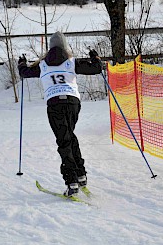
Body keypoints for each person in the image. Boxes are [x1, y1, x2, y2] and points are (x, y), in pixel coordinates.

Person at [18, 31, 102, 197]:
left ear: (50, 48)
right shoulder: (71, 62)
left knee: (64, 141)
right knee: (69, 136)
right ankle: (80, 175)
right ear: (65, 47)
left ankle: (71, 181)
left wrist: (22, 63)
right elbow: (96, 69)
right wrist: (95, 57)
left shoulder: (42, 65)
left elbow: (24, 73)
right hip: (73, 103)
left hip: (55, 104)